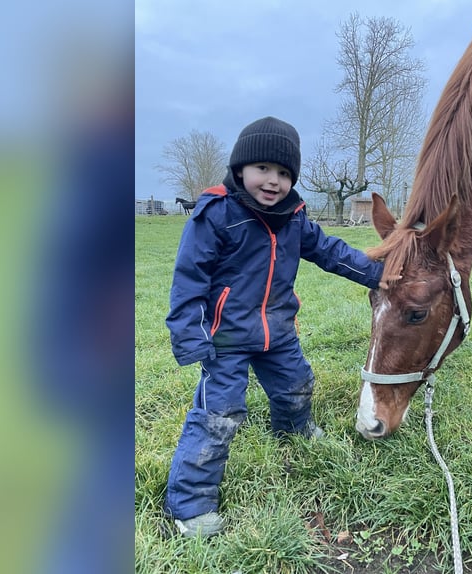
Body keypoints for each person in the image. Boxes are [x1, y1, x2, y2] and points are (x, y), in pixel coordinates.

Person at [164, 116, 383, 537]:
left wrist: (378, 274)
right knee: (219, 413)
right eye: (262, 168)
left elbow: (330, 252)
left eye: (283, 173)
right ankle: (190, 505)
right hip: (226, 338)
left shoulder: (294, 217)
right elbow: (189, 278)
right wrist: (191, 335)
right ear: (240, 168)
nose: (273, 181)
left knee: (297, 384)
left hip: (277, 331)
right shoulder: (216, 213)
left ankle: (293, 428)